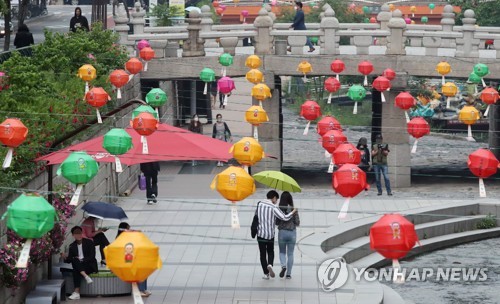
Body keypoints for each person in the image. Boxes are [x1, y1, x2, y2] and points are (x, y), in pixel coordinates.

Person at [256, 190, 297, 280]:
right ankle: (285, 272)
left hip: (268, 233)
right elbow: (291, 220)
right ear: (274, 197)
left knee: (266, 254)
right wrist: (293, 212)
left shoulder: (261, 204)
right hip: (280, 234)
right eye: (276, 199)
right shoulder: (277, 207)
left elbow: (276, 222)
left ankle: (272, 271)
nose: (277, 201)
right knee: (285, 253)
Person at [61, 226, 98, 300]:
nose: (78, 235)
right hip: (80, 266)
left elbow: (92, 257)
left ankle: (77, 293)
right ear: (73, 235)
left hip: (89, 265)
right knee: (75, 262)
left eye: (79, 233)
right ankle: (85, 277)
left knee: (76, 266)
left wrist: (81, 260)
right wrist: (65, 256)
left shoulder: (89, 242)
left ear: (82, 233)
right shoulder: (72, 246)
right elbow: (70, 260)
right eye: (76, 233)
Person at [116, 222, 152, 297]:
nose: (129, 230)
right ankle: (140, 290)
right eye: (128, 228)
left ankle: (143, 289)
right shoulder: (121, 238)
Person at [276, 191, 300, 279]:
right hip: (292, 233)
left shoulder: (279, 209)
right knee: (290, 254)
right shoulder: (294, 209)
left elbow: (277, 222)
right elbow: (297, 222)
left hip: (282, 233)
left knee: (282, 252)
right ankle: (289, 274)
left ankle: (283, 266)